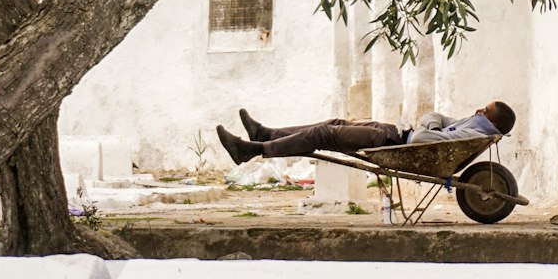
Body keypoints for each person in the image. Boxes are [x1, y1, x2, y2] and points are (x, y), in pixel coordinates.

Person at [216, 101, 516, 165]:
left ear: (491, 120)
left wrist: (429, 126)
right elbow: (434, 116)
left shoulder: (472, 134)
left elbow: (425, 137)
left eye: (484, 109)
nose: (478, 109)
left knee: (324, 134)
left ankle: (253, 150)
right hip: (393, 132)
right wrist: (430, 124)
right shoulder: (471, 124)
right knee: (334, 121)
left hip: (391, 142)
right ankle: (265, 134)